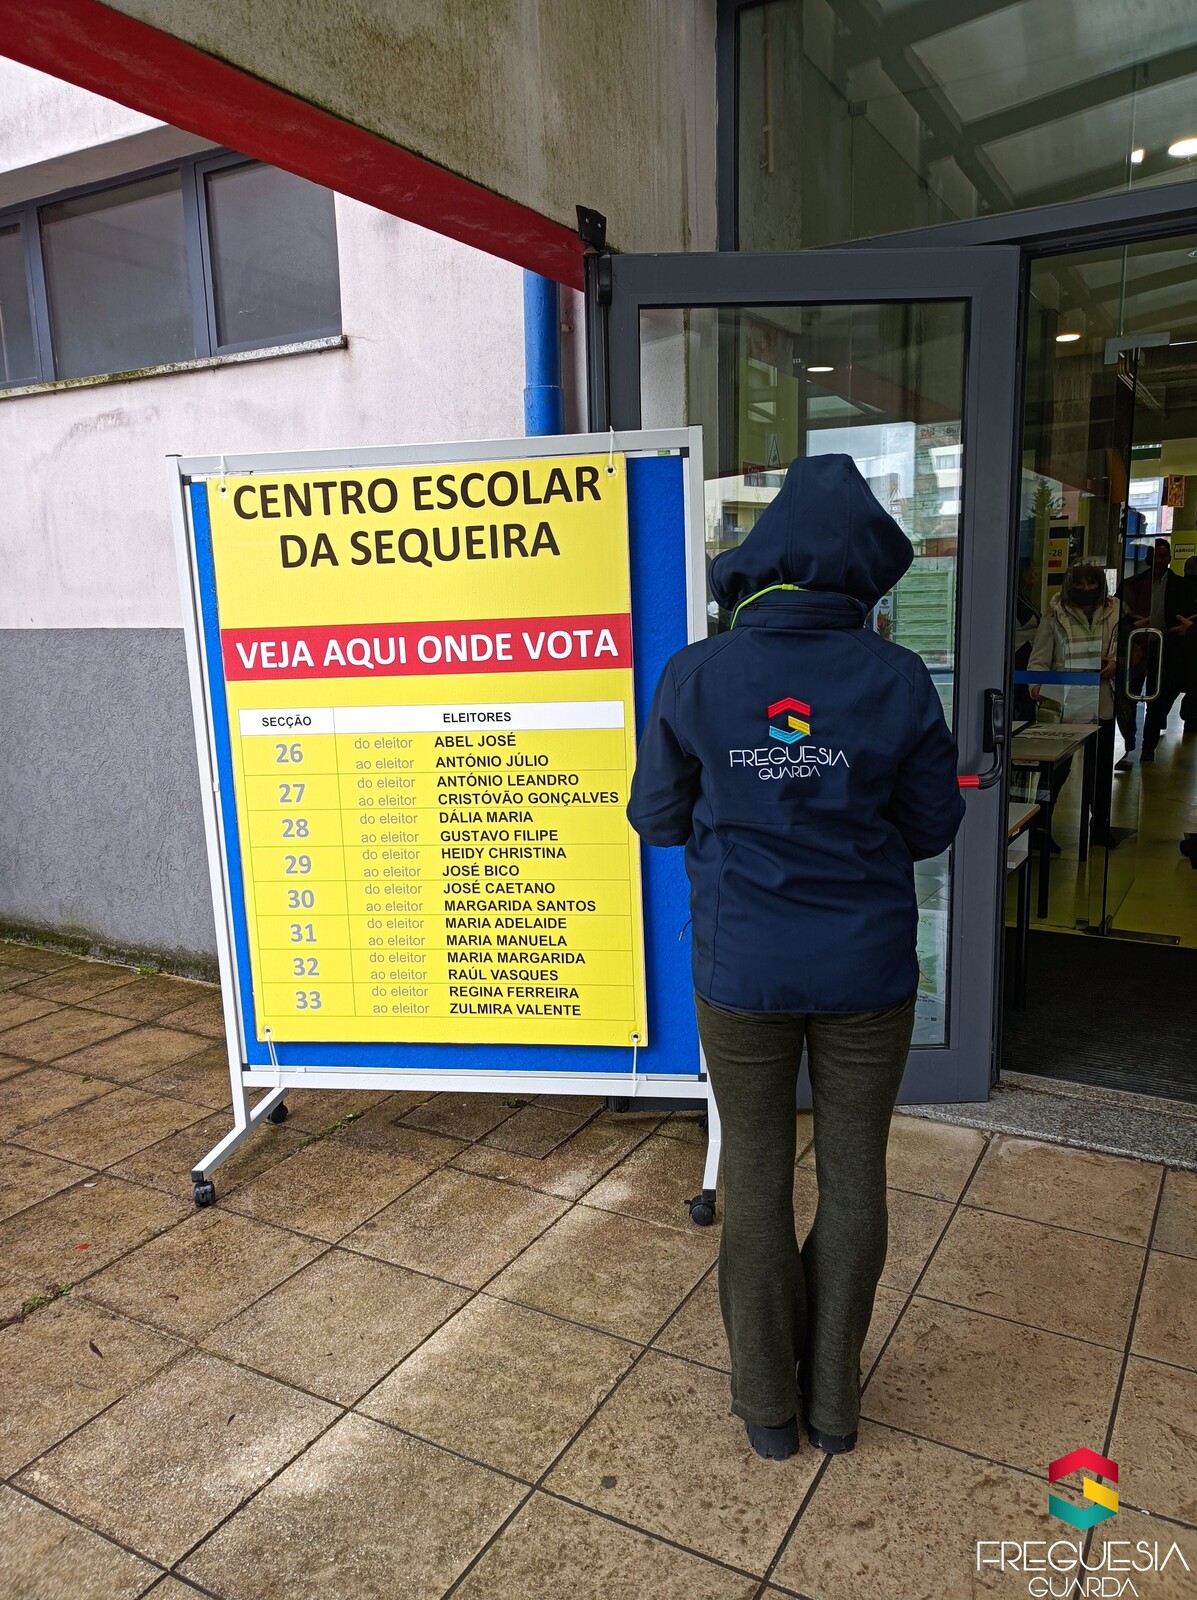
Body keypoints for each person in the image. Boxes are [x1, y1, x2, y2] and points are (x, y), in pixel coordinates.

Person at [627, 454, 964, 1462]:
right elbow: (931, 825)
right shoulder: (897, 677)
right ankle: (835, 1407)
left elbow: (656, 819)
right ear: (865, 572)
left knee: (756, 1174)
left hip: (743, 970)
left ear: (766, 552)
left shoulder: (696, 672)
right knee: (855, 1178)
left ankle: (769, 1409)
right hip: (867, 972)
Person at [1026, 562, 1119, 843]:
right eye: (1079, 583)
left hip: (1101, 701)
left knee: (1100, 771)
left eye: (1092, 582)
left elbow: (1126, 649)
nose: (1085, 588)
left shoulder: (1115, 612)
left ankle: (1100, 825)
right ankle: (1041, 829)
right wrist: (1036, 686)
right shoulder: (1054, 615)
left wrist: (1116, 664)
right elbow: (1039, 658)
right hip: (1063, 703)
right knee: (1055, 771)